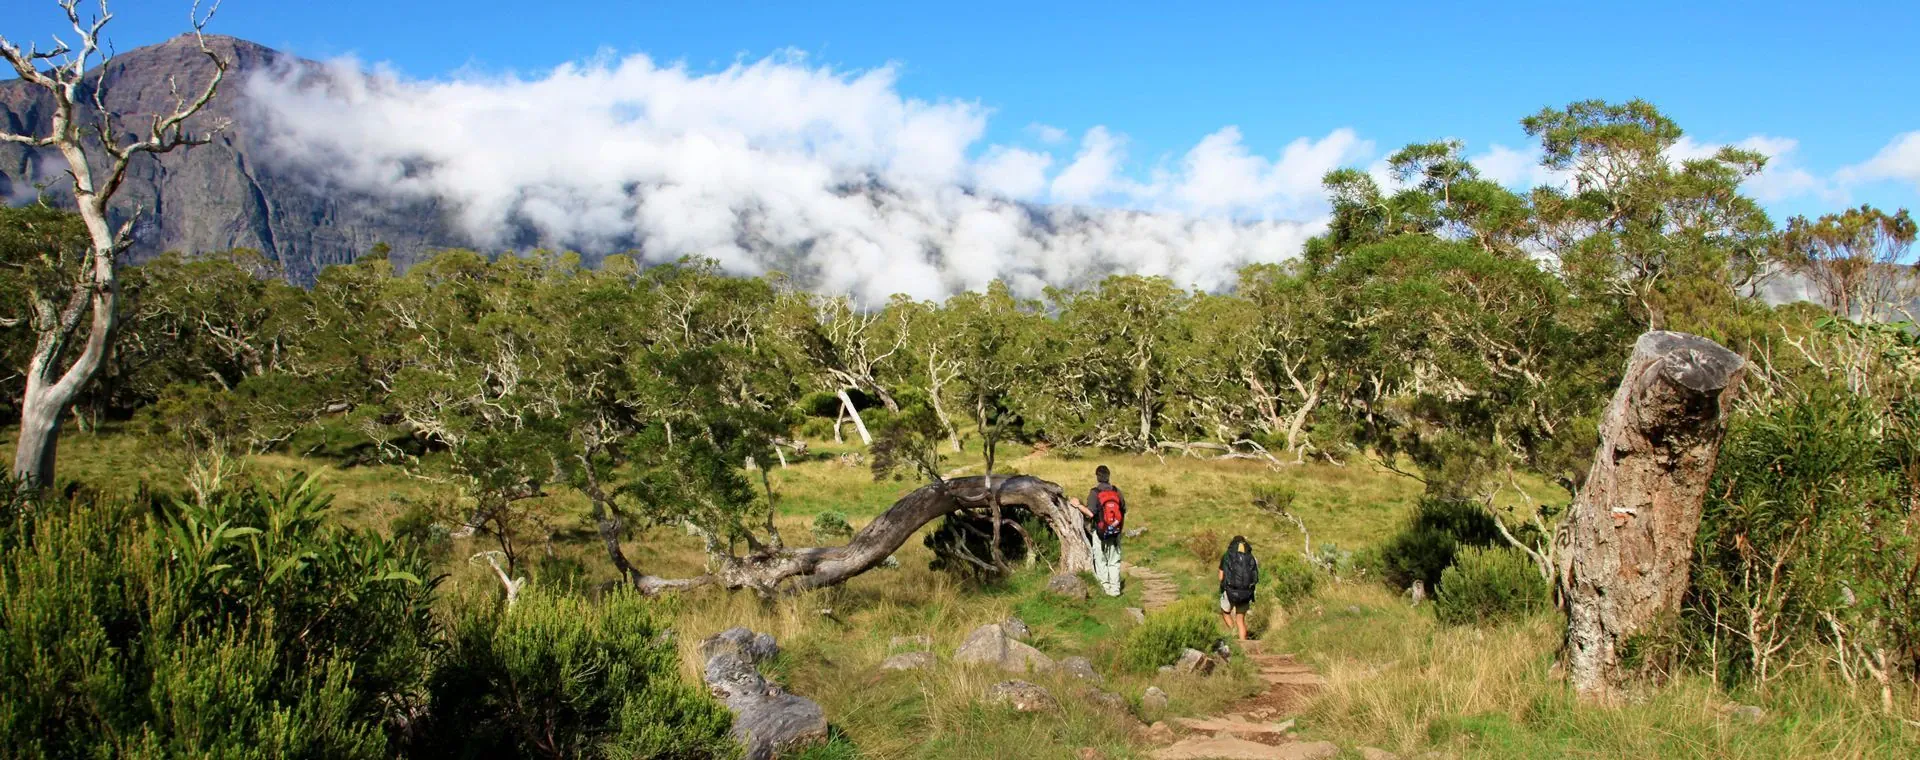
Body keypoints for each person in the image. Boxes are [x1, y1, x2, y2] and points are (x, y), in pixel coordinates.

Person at [1072, 464, 1127, 597]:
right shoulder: (1116, 491)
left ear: (1097, 477)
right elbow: (1123, 509)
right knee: (1114, 561)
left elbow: (1090, 513)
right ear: (1109, 476)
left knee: (1101, 559)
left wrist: (1078, 505)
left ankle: (1105, 588)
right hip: (1115, 532)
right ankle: (1115, 590)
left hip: (1100, 532)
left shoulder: (1095, 493)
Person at [1219, 535, 1258, 641]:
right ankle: (1244, 643)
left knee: (1225, 612)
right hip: (1246, 592)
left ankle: (1233, 633)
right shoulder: (1251, 557)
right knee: (1240, 620)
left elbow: (1221, 577)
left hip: (1230, 590)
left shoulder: (1227, 556)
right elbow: (1254, 576)